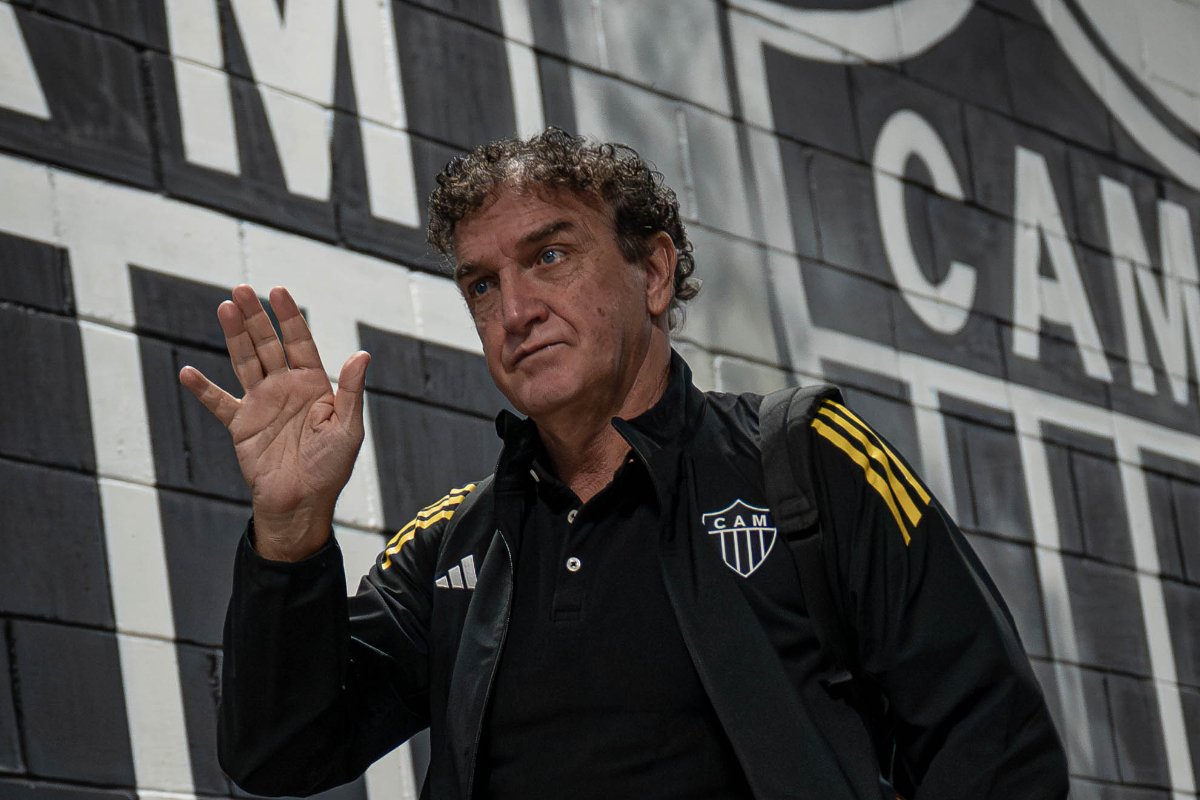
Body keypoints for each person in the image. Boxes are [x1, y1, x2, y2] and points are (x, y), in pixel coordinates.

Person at [179, 128, 1069, 799]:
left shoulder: (806, 462)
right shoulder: (454, 544)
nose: (515, 309)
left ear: (653, 273)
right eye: (482, 285)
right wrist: (291, 532)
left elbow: (993, 744)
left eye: (550, 256)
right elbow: (278, 753)